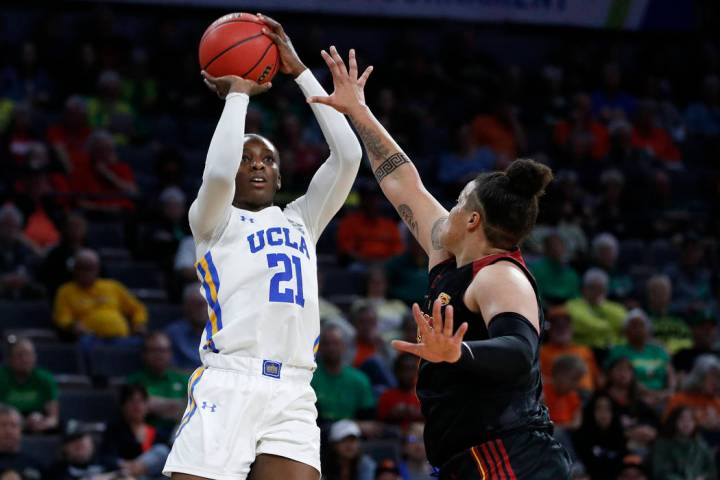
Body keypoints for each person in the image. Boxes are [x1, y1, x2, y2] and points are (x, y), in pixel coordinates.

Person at [310, 47, 570, 477]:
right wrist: (358, 111)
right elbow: (401, 181)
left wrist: (458, 351)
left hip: (511, 456)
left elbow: (520, 351)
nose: (446, 209)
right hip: (470, 458)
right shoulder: (447, 250)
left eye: (457, 201)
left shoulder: (501, 277)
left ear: (472, 220)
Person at [162, 15, 364, 480]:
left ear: (279, 175)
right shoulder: (212, 220)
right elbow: (215, 175)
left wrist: (298, 72)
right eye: (246, 158)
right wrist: (238, 94)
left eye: (267, 159)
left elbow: (348, 156)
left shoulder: (301, 218)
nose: (257, 165)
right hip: (229, 379)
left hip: (293, 387)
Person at [53, 248, 148, 341]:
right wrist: (73, 326)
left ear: (98, 269)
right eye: (82, 268)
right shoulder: (66, 290)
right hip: (89, 339)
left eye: (91, 268)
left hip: (121, 337)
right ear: (75, 269)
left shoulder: (112, 286)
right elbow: (62, 318)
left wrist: (139, 324)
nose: (86, 273)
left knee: (139, 343)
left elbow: (137, 309)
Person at [606, 309, 674, 407]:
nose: (637, 329)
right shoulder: (618, 351)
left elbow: (671, 374)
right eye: (633, 326)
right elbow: (624, 377)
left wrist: (668, 392)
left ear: (648, 329)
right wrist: (652, 394)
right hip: (635, 396)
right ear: (626, 331)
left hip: (663, 396)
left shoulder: (659, 350)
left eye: (641, 325)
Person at [126, 332, 187, 442]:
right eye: (154, 350)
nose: (159, 355)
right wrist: (178, 405)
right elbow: (141, 408)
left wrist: (157, 405)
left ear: (170, 354)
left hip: (180, 434)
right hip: (147, 436)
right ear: (144, 354)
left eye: (163, 350)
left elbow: (192, 409)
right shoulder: (135, 381)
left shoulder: (184, 379)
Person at [312, 325, 376, 425]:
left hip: (353, 432)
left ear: (343, 346)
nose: (331, 348)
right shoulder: (310, 378)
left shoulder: (359, 379)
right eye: (326, 343)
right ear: (319, 348)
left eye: (335, 343)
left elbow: (368, 420)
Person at [102, 384, 169, 479]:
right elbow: (106, 458)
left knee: (162, 451)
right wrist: (123, 464)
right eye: (132, 401)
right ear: (123, 405)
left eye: (141, 401)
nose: (137, 405)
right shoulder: (114, 430)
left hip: (150, 476)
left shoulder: (154, 431)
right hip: (126, 475)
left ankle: (127, 472)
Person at [0, 339, 58, 434]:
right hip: (5, 424)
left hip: (36, 424)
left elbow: (53, 419)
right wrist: (18, 422)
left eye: (28, 354)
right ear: (9, 359)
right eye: (20, 355)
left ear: (35, 357)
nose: (25, 359)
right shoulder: (1, 377)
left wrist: (43, 423)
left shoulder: (45, 378)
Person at [539, 306, 599, 394]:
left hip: (587, 397)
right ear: (549, 329)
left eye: (565, 323)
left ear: (571, 327)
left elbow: (596, 377)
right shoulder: (542, 351)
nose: (561, 327)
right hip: (556, 397)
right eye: (557, 324)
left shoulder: (585, 350)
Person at [565, 268, 627, 350]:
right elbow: (584, 324)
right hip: (585, 349)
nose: (596, 292)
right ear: (584, 289)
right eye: (592, 288)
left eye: (601, 289)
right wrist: (608, 327)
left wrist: (602, 306)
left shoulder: (615, 308)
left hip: (612, 349)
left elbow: (624, 324)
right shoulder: (572, 305)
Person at [651, 406, 717, 480]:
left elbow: (711, 469)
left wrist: (703, 477)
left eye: (691, 420)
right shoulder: (662, 445)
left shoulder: (700, 444)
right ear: (674, 421)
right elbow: (662, 473)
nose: (687, 423)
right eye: (682, 419)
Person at [665, 355, 720, 433]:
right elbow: (667, 426)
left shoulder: (716, 402)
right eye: (712, 375)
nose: (716, 382)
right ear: (699, 377)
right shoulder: (679, 399)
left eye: (718, 377)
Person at [48, 421, 118, 480]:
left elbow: (122, 473)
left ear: (91, 441)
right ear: (63, 448)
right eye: (72, 440)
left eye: (81, 437)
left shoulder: (107, 461)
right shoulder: (57, 471)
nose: (78, 443)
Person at [165, 283, 207, 370]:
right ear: (186, 306)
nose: (202, 309)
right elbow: (170, 369)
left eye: (206, 304)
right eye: (197, 304)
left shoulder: (222, 331)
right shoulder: (173, 333)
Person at [377, 354, 422, 427]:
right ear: (396, 371)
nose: (408, 374)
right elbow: (379, 422)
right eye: (404, 369)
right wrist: (392, 414)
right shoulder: (386, 396)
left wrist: (416, 412)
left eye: (412, 369)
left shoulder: (424, 396)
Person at [0, 404, 44, 479]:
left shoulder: (34, 465)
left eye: (13, 425)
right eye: (3, 425)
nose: (9, 431)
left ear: (21, 430)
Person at [543, 355, 585, 430]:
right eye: (573, 379)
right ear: (558, 374)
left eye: (578, 380)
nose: (576, 384)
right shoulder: (542, 391)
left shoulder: (573, 396)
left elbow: (576, 424)